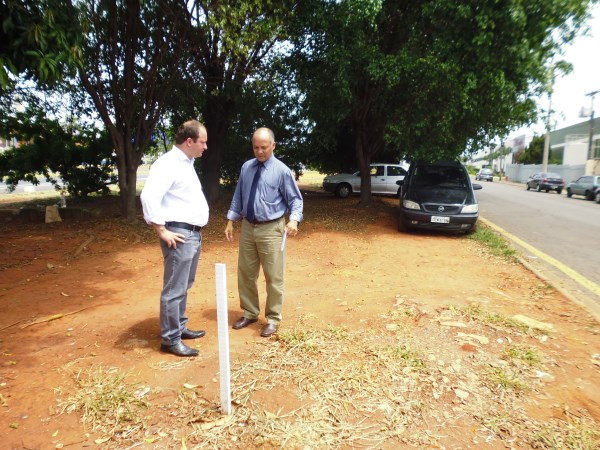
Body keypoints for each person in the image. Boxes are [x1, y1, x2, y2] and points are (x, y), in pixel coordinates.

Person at [225, 127, 303, 337]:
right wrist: (231, 220)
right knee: (246, 273)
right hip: (248, 227)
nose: (259, 151)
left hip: (272, 229)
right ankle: (250, 312)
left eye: (264, 147)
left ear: (273, 146)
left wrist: (294, 220)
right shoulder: (246, 168)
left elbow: (295, 200)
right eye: (255, 147)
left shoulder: (282, 171)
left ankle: (273, 319)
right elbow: (239, 195)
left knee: (274, 276)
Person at [140, 120, 209, 357]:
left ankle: (179, 327)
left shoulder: (186, 163)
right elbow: (149, 197)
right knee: (174, 288)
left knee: (184, 285)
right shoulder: (168, 164)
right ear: (189, 141)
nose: (206, 146)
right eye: (203, 142)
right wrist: (161, 230)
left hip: (192, 234)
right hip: (178, 235)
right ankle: (170, 339)